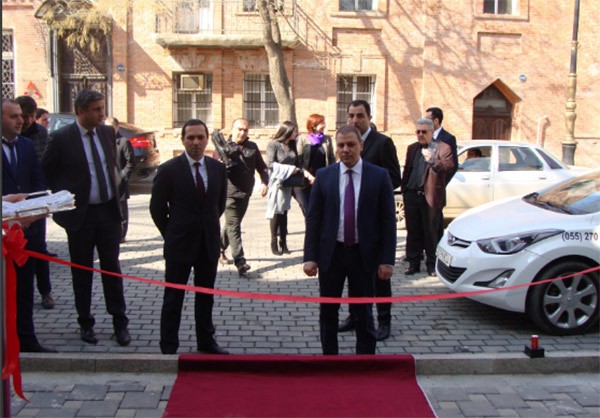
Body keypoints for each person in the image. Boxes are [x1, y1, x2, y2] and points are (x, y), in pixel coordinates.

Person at [42, 89, 131, 347]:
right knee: (82, 273)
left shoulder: (107, 132)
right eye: (96, 109)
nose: (102, 113)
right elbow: (46, 172)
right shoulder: (61, 138)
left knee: (112, 270)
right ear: (80, 111)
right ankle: (85, 323)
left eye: (102, 107)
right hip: (80, 216)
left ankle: (120, 323)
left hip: (108, 213)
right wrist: (64, 200)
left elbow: (111, 166)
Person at [303, 125, 396, 355]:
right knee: (328, 311)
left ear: (361, 145)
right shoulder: (324, 176)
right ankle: (330, 360)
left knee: (363, 312)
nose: (345, 149)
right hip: (331, 254)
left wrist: (387, 260)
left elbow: (388, 221)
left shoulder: (379, 176)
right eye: (341, 145)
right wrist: (310, 257)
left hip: (364, 255)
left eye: (351, 144)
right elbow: (314, 219)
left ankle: (364, 361)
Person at [150, 119, 228, 355]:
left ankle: (206, 341)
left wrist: (206, 227)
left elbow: (218, 205)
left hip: (208, 243)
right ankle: (168, 345)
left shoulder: (218, 169)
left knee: (205, 296)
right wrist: (172, 232)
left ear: (207, 139)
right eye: (190, 137)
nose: (196, 142)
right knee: (173, 297)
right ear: (183, 140)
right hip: (179, 244)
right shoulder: (168, 170)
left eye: (200, 137)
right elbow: (157, 209)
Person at [340, 99, 402, 341]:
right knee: (353, 275)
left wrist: (369, 187)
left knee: (380, 278)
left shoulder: (383, 143)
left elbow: (394, 177)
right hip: (349, 226)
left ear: (369, 117)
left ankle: (384, 321)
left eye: (360, 115)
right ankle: (354, 316)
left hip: (373, 224)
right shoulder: (345, 142)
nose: (355, 120)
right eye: (351, 115)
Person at [2, 98, 56, 352]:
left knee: (24, 288)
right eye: (13, 116)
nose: (21, 120)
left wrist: (36, 210)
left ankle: (26, 338)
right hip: (3, 233)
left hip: (27, 232)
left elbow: (38, 183)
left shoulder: (25, 145)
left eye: (21, 116)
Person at [213, 118, 269, 277]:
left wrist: (265, 182)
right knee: (234, 225)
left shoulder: (252, 147)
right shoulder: (222, 147)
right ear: (232, 130)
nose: (242, 133)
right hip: (229, 193)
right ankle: (240, 261)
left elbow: (262, 167)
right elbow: (213, 169)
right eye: (239, 129)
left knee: (232, 225)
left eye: (245, 130)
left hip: (246, 192)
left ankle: (217, 249)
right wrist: (219, 164)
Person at [15, 95, 55, 309]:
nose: (26, 121)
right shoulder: (12, 135)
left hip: (36, 199)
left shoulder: (41, 133)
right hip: (13, 201)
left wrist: (44, 199)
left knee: (39, 247)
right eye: (23, 116)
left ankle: (45, 291)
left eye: (30, 116)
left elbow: (45, 166)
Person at [400, 117, 454, 277]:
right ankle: (413, 263)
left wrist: (433, 161)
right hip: (412, 194)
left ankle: (432, 264)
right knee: (413, 231)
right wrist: (404, 188)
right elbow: (408, 169)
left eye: (424, 132)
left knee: (431, 232)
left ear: (431, 132)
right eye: (418, 131)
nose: (420, 134)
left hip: (430, 196)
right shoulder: (412, 148)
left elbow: (449, 166)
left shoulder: (443, 147)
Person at [265, 121, 302, 256]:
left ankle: (284, 242)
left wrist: (297, 170)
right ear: (287, 131)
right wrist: (290, 169)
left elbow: (297, 161)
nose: (296, 133)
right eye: (294, 131)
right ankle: (273, 242)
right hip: (277, 182)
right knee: (276, 211)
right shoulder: (274, 144)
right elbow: (269, 163)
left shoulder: (292, 144)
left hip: (289, 182)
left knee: (284, 212)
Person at [425, 107, 458, 241]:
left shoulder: (448, 138)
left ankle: (436, 248)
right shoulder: (425, 136)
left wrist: (441, 183)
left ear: (436, 120)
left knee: (435, 223)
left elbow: (452, 166)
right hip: (423, 188)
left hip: (436, 188)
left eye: (427, 119)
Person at [297, 114, 335, 213]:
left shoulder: (327, 139)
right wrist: (308, 175)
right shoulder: (303, 139)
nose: (324, 125)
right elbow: (298, 161)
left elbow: (331, 158)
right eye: (322, 123)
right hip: (307, 179)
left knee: (322, 206)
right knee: (308, 208)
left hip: (323, 177)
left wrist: (332, 173)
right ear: (313, 126)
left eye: (324, 122)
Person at [106, 116, 135, 243]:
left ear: (117, 127)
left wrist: (122, 176)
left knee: (122, 210)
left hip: (120, 181)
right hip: (107, 182)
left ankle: (122, 235)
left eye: (111, 127)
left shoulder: (123, 142)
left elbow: (130, 162)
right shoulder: (104, 141)